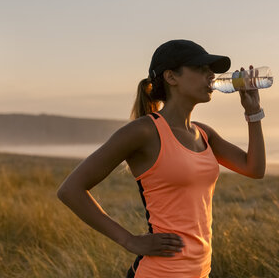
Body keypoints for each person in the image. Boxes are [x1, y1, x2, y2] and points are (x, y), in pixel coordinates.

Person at [57, 39, 266, 278]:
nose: (210, 75)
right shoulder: (144, 131)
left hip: (200, 271)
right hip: (159, 272)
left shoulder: (204, 133)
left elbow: (255, 168)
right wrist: (128, 240)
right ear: (171, 77)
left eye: (211, 70)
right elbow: (70, 190)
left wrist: (253, 113)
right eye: (200, 68)